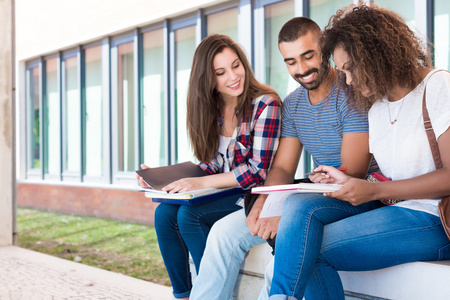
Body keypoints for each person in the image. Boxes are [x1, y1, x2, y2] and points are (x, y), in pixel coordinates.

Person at [190, 17, 382, 300]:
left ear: (324, 50)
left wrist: (286, 212)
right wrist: (266, 202)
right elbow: (281, 167)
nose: (302, 69)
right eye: (291, 61)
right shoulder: (292, 105)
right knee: (222, 233)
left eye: (308, 56)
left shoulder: (350, 92)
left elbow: (351, 171)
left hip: (356, 198)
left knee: (282, 255)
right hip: (314, 196)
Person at [267, 4, 450, 300]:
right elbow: (387, 175)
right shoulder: (376, 106)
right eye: (342, 71)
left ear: (376, 55)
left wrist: (374, 190)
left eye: (351, 69)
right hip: (395, 208)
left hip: (435, 218)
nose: (348, 81)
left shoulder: (437, 85)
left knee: (307, 251)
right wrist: (343, 179)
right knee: (298, 206)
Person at [136, 34, 281, 299]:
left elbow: (257, 171)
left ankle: (212, 293)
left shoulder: (265, 104)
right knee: (164, 216)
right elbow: (211, 165)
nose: (233, 76)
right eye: (221, 72)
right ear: (208, 79)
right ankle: (185, 294)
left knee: (189, 217)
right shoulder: (213, 109)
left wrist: (201, 182)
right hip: (224, 191)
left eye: (236, 65)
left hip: (252, 195)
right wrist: (161, 178)